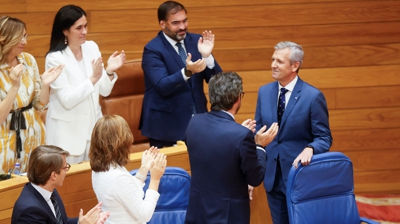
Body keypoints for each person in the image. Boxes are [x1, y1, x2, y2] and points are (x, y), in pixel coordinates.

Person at [185, 71, 279, 224]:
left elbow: (212, 149)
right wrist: (259, 146)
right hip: (227, 217)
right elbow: (255, 178)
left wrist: (238, 135)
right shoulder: (240, 136)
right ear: (238, 98)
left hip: (198, 212)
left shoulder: (194, 123)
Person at [255, 41, 333, 224]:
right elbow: (260, 131)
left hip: (300, 177)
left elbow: (324, 137)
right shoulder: (264, 92)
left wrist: (311, 148)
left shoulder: (312, 96)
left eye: (279, 61)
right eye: (273, 59)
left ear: (295, 66)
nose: (273, 65)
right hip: (272, 178)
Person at [45, 5, 126, 164]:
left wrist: (109, 71)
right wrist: (93, 79)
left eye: (86, 26)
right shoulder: (54, 58)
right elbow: (67, 100)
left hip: (93, 131)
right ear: (65, 31)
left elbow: (103, 90)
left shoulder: (91, 47)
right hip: (66, 134)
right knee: (68, 184)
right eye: (79, 28)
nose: (84, 32)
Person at [140, 0, 223, 148]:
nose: (182, 27)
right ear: (162, 24)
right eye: (176, 23)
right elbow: (162, 85)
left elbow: (217, 82)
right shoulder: (152, 49)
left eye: (185, 21)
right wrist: (187, 72)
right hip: (167, 128)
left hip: (199, 123)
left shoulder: (196, 41)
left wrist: (207, 56)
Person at [0, 16, 64, 174]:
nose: (24, 42)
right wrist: (14, 87)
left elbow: (39, 104)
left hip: (34, 133)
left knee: (35, 180)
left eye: (25, 36)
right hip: (6, 138)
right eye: (20, 37)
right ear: (3, 38)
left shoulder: (28, 61)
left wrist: (45, 85)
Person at [90, 115, 167, 224]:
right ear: (121, 142)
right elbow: (145, 214)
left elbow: (127, 193)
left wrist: (144, 169)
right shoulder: (117, 177)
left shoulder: (101, 167)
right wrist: (155, 179)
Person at [11, 145, 110, 224]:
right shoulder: (29, 211)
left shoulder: (50, 190)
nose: (67, 170)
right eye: (65, 167)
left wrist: (82, 221)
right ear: (54, 175)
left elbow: (63, 222)